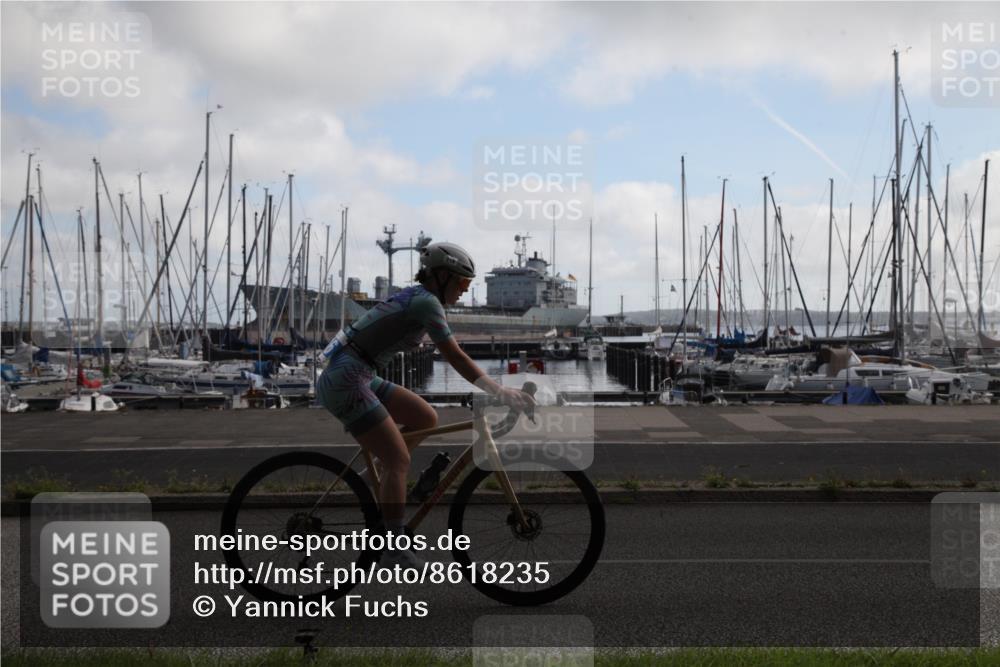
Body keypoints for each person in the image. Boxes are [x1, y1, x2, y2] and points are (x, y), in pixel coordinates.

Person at [316, 242, 533, 568]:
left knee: (425, 417)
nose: (463, 291)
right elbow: (454, 355)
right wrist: (499, 390)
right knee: (399, 458)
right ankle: (392, 545)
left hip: (356, 372)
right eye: (461, 283)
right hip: (347, 380)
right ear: (442, 276)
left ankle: (372, 478)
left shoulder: (419, 296)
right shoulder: (426, 303)